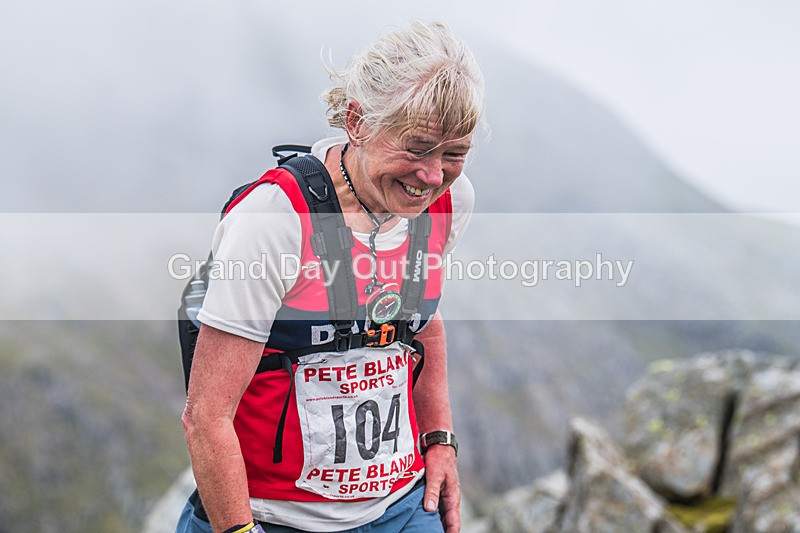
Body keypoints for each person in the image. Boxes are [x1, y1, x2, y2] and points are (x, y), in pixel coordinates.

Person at [177, 20, 485, 533]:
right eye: (417, 147)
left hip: (403, 510)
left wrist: (440, 440)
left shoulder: (448, 202)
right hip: (272, 520)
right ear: (358, 121)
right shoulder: (275, 219)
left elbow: (423, 325)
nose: (433, 176)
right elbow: (205, 417)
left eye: (455, 153)